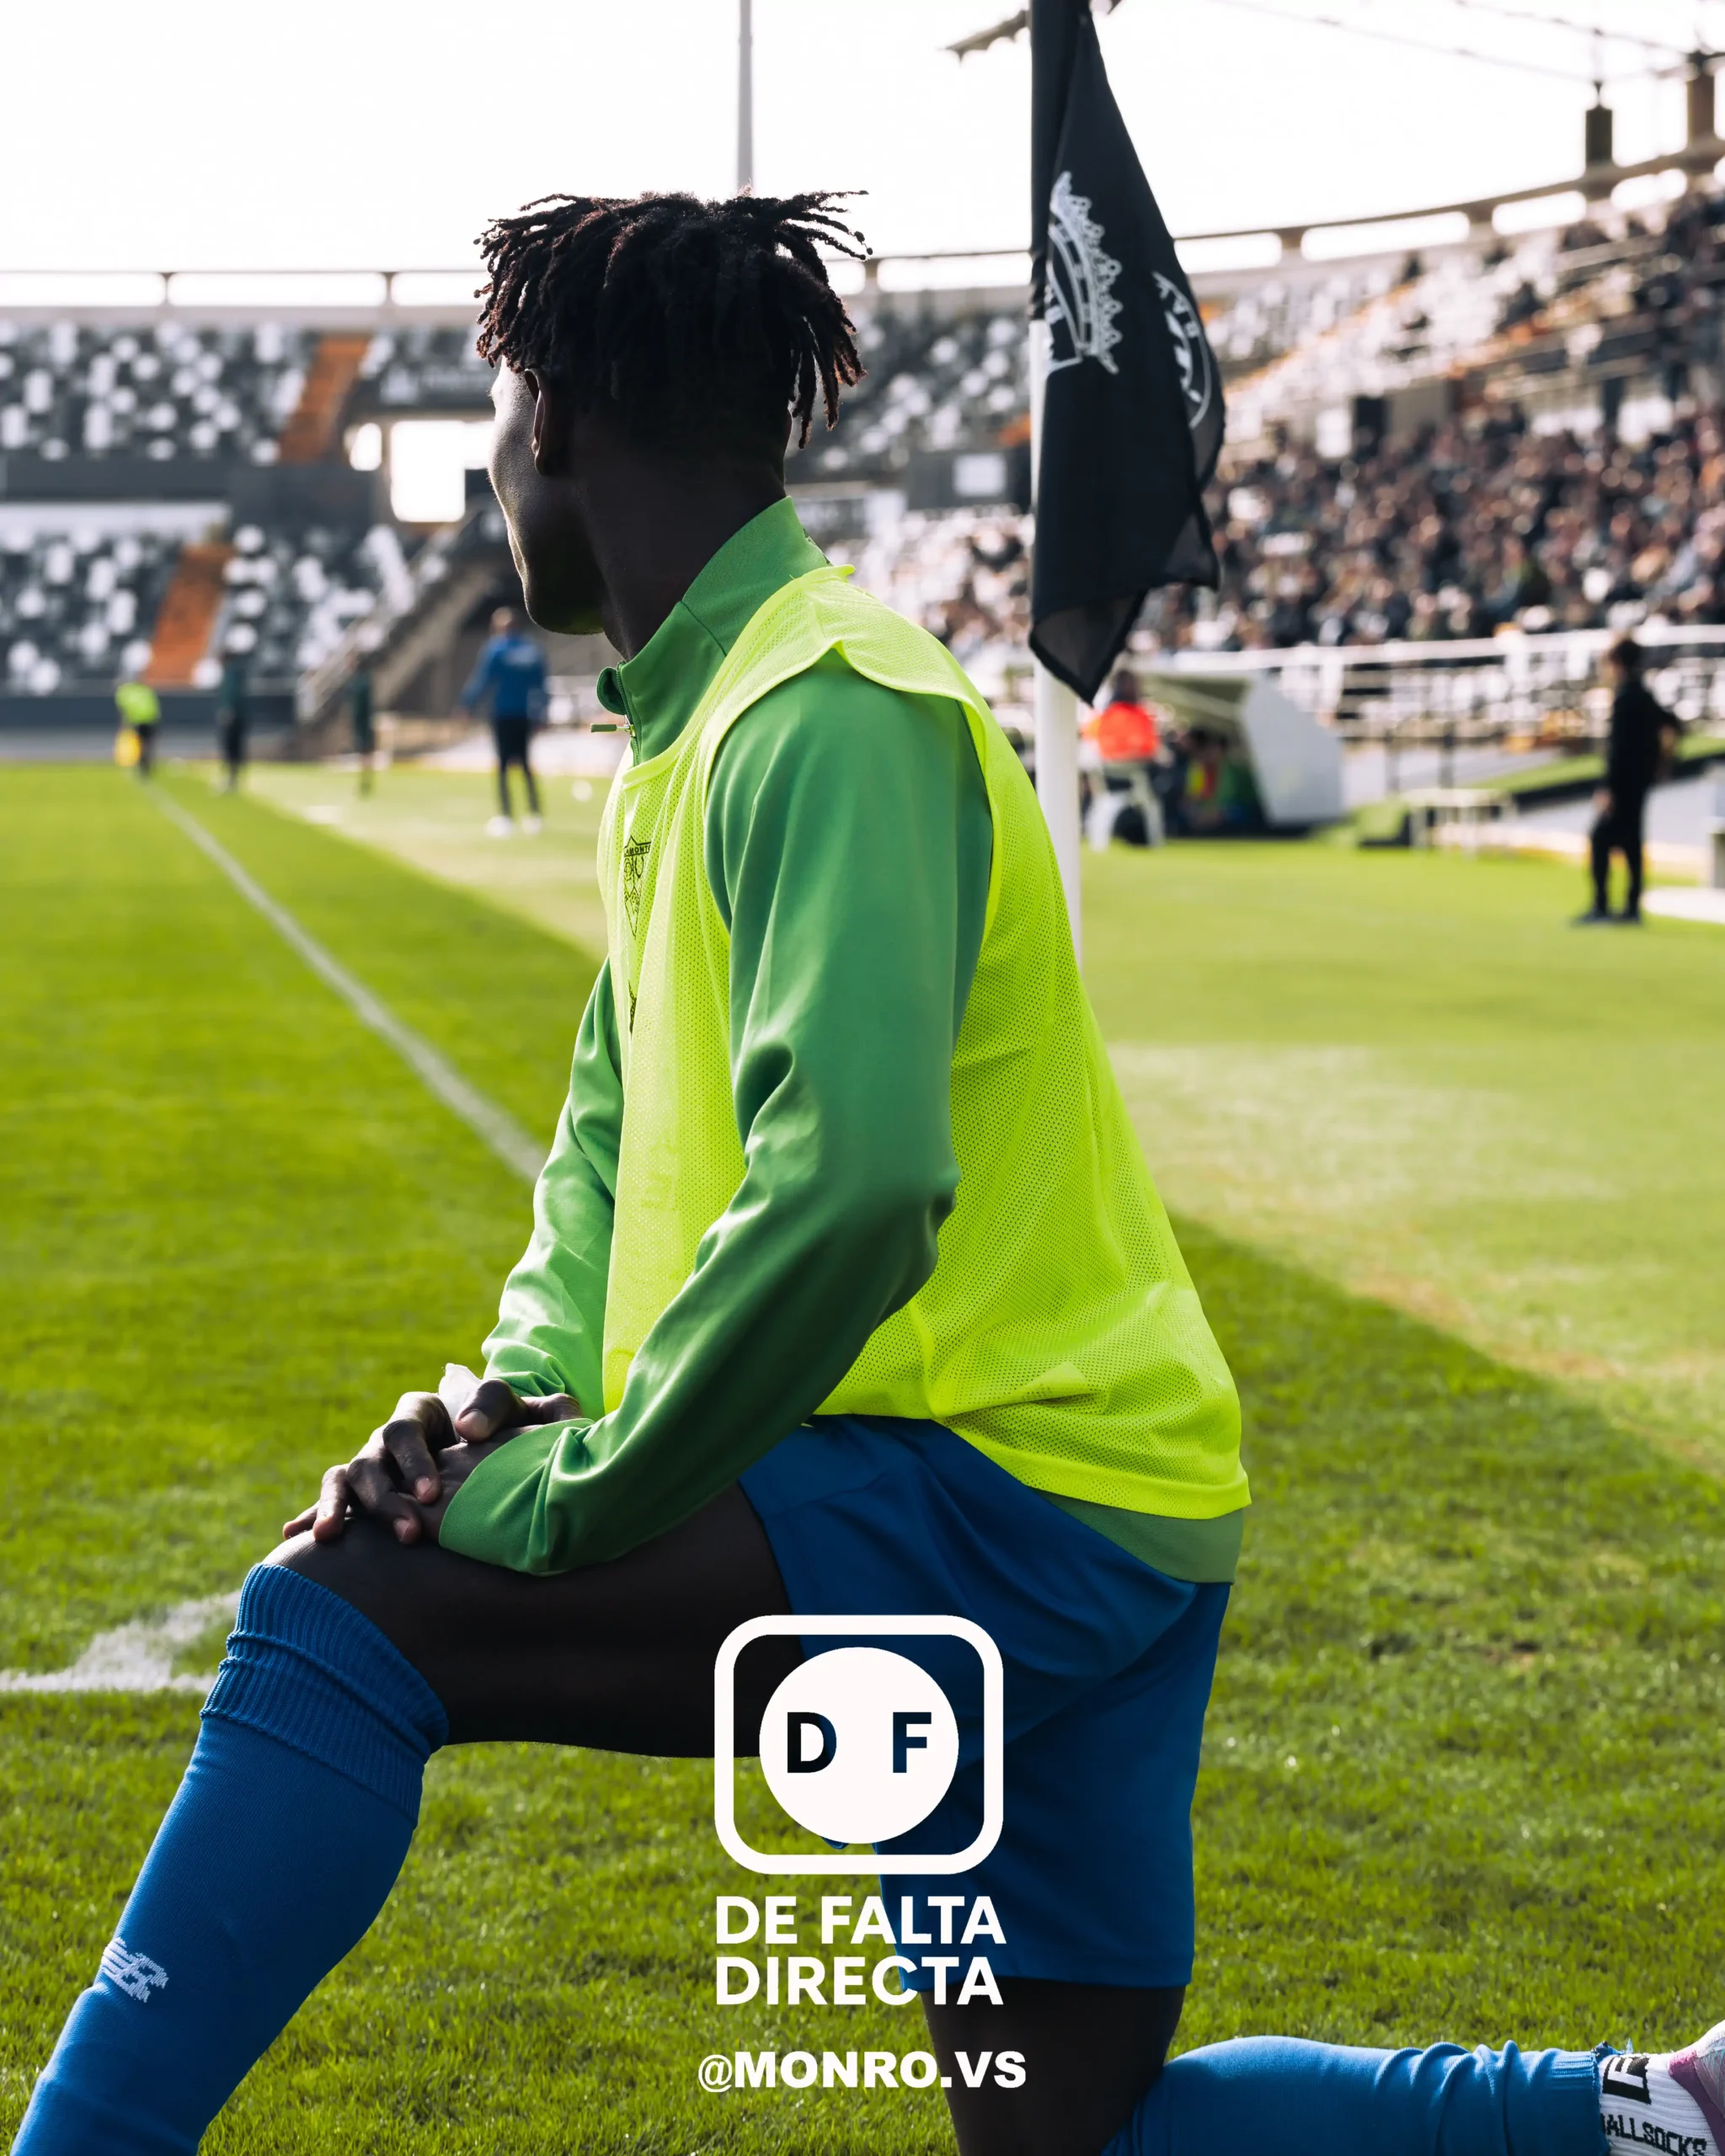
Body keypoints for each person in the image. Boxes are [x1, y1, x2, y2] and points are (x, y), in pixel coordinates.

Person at [16, 189, 1725, 2156]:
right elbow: (602, 1150)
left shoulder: (826, 706)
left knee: (345, 1611)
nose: (492, 471)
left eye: (493, 419)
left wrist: (578, 1491)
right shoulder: (705, 724)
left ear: (550, 418)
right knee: (1070, 2137)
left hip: (990, 1490)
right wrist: (506, 1394)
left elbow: (857, 1186)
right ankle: (1663, 2110)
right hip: (1085, 1495)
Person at [1577, 637, 1680, 925]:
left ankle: (1602, 905)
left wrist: (1607, 787)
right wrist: (1663, 759)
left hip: (1623, 784)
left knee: (1601, 839)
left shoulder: (1626, 697)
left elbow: (1618, 750)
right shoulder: (1642, 694)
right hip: (1640, 781)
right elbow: (1671, 723)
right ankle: (1631, 907)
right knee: (1632, 841)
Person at [461, 605, 547, 834]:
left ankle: (506, 816)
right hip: (525, 714)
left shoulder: (496, 649)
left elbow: (482, 681)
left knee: (502, 766)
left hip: (503, 714)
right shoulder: (532, 650)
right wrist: (542, 714)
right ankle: (534, 815)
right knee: (526, 764)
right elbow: (541, 686)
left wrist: (466, 705)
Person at [1086, 667, 1161, 764]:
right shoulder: (1143, 716)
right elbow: (1151, 748)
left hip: (1113, 766)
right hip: (1133, 766)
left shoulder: (1105, 716)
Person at [215, 648, 249, 793]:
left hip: (233, 718)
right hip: (238, 716)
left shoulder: (231, 674)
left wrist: (228, 711)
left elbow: (231, 695)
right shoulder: (234, 673)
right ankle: (233, 778)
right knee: (235, 749)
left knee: (231, 749)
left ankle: (232, 779)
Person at [113, 673, 159, 777]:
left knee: (145, 745)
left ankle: (144, 764)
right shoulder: (142, 691)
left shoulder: (137, 691)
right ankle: (143, 764)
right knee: (144, 745)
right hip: (143, 720)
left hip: (144, 720)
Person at [349, 656, 377, 797]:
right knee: (365, 753)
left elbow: (360, 707)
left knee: (365, 753)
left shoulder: (360, 683)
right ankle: (365, 781)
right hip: (365, 722)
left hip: (363, 723)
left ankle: (365, 782)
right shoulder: (364, 681)